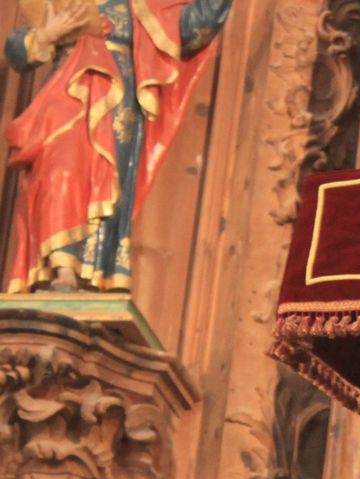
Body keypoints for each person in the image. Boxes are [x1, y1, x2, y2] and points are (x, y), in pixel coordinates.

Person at [4, 0, 233, 292]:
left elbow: (193, 27)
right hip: (66, 95)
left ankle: (96, 276)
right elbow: (16, 50)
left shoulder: (140, 4)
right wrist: (47, 34)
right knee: (58, 172)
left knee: (108, 188)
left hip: (117, 103)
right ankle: (59, 268)